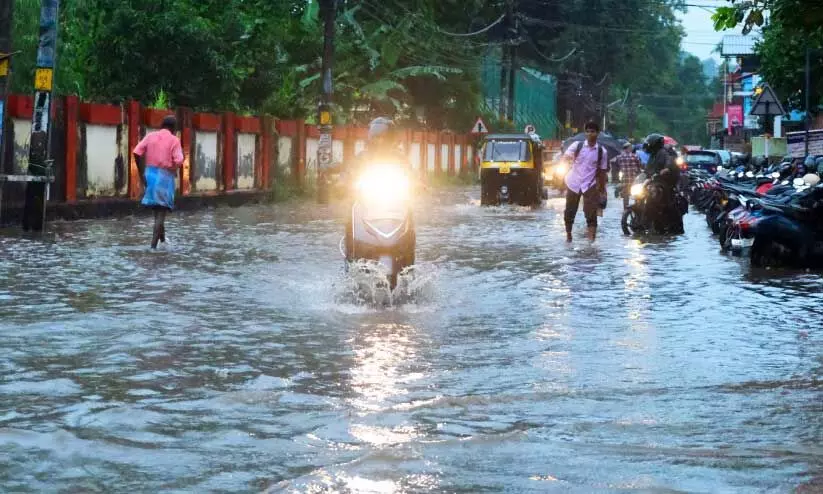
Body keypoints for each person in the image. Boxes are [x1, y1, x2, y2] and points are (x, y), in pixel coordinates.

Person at [132, 115, 184, 249]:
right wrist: (172, 169)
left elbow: (136, 152)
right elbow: (179, 160)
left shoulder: (150, 136)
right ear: (173, 128)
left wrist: (141, 172)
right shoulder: (174, 140)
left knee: (157, 210)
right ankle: (153, 247)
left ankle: (163, 242)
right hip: (164, 178)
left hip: (150, 175)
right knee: (161, 214)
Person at [562, 121, 609, 242]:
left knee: (591, 214)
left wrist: (602, 190)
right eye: (587, 131)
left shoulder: (601, 152)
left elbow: (603, 172)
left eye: (592, 131)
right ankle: (568, 236)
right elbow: (566, 156)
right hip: (573, 182)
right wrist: (566, 159)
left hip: (590, 185)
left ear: (597, 133)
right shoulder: (577, 145)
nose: (589, 134)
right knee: (569, 211)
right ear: (585, 133)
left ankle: (591, 241)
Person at [643, 133, 683, 233]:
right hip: (653, 180)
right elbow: (648, 168)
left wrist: (666, 169)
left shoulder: (664, 153)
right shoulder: (652, 155)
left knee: (658, 197)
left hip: (665, 181)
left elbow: (669, 163)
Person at [616, 141, 643, 209]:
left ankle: (625, 208)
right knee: (637, 194)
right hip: (634, 179)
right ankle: (637, 208)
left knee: (626, 195)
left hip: (625, 179)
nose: (631, 148)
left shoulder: (619, 157)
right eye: (630, 147)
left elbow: (617, 166)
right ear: (628, 148)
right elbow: (639, 165)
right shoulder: (635, 156)